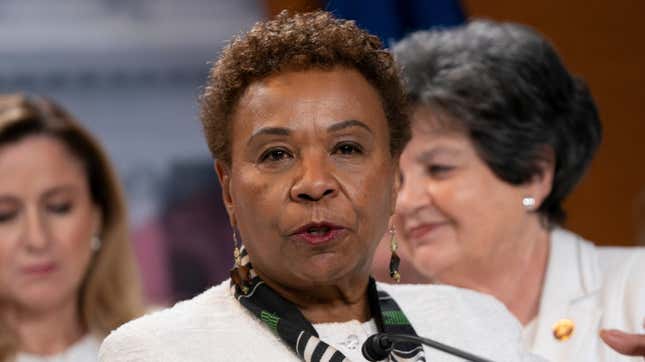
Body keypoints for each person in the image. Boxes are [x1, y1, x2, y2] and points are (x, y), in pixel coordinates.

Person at [99, 11, 543, 362]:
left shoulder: (477, 325)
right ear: (229, 188)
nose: (314, 184)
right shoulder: (158, 351)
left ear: (392, 178)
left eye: (347, 148)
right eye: (276, 154)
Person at [391, 20, 645, 361]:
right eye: (397, 178)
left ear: (533, 175)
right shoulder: (386, 335)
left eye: (439, 169)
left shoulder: (636, 289)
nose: (406, 201)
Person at [0, 94, 143, 362]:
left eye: (58, 207)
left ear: (98, 216)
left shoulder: (162, 348)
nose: (37, 238)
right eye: (5, 215)